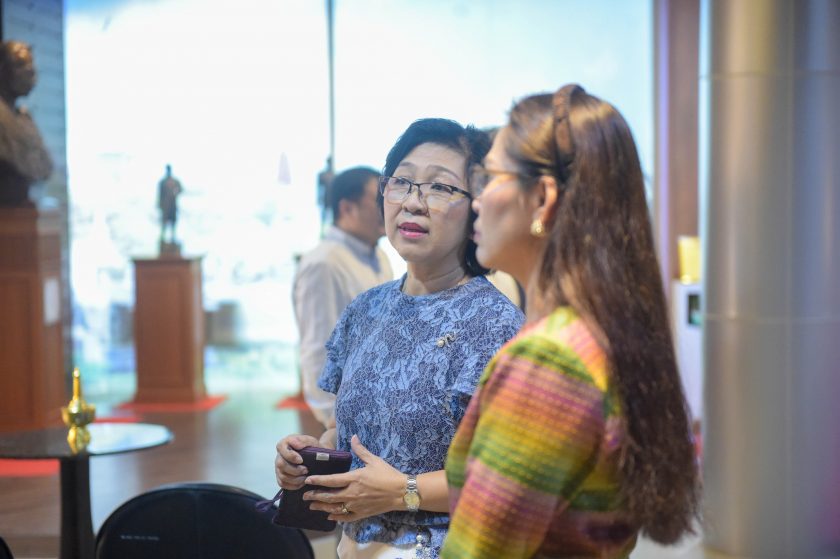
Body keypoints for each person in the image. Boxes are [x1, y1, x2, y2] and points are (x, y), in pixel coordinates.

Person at [443, 85, 700, 558]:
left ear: (542, 198)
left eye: (487, 177)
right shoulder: (598, 332)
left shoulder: (550, 359)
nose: (475, 201)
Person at [275, 118, 524, 559]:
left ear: (476, 208)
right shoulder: (366, 309)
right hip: (354, 547)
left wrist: (403, 491)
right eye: (402, 182)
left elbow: (510, 483)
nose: (413, 202)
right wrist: (311, 455)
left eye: (440, 187)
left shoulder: (497, 325)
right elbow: (345, 431)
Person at [293, 166, 393, 427]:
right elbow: (318, 348)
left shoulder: (379, 255)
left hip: (377, 405)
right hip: (345, 418)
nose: (387, 208)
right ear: (347, 208)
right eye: (378, 201)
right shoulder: (323, 263)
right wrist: (333, 421)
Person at [0, 40, 53, 207]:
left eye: (31, 63)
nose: (31, 70)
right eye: (20, 64)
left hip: (22, 211)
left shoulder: (24, 118)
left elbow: (45, 166)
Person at [158, 164, 183, 244]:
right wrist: (160, 204)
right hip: (165, 206)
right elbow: (159, 194)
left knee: (173, 222)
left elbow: (181, 189)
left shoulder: (175, 181)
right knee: (164, 222)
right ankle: (162, 238)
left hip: (173, 205)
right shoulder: (162, 182)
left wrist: (175, 193)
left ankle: (173, 238)